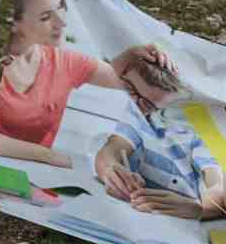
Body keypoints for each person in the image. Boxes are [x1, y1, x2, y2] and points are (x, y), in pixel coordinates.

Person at [0, 0, 173, 168]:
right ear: (15, 23)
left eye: (60, 10)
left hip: (33, 182)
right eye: (45, 17)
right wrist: (46, 155)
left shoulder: (64, 62)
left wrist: (134, 56)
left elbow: (131, 79)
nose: (61, 22)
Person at [94, 58, 225, 220]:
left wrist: (197, 208)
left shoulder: (209, 127)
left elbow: (219, 188)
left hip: (181, 219)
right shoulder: (143, 108)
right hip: (137, 210)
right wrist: (110, 169)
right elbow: (111, 149)